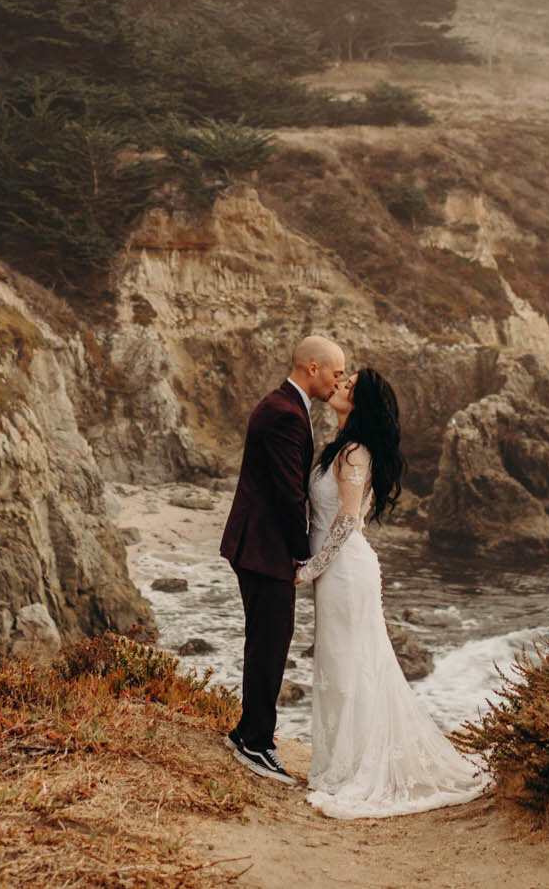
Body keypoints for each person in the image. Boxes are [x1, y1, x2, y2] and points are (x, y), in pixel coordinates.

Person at [297, 368, 492, 818]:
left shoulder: (355, 453)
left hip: (346, 571)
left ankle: (355, 770)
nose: (340, 385)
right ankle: (343, 763)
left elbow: (346, 521)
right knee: (343, 663)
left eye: (349, 385)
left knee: (353, 664)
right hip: (338, 570)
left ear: (360, 402)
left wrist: (310, 570)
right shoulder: (340, 448)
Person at [218, 334, 345, 784]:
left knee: (265, 640)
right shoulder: (285, 415)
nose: (339, 380)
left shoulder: (286, 407)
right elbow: (288, 495)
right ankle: (257, 743)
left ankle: (246, 733)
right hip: (263, 547)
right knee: (271, 644)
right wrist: (301, 555)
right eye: (336, 371)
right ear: (313, 368)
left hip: (256, 543)